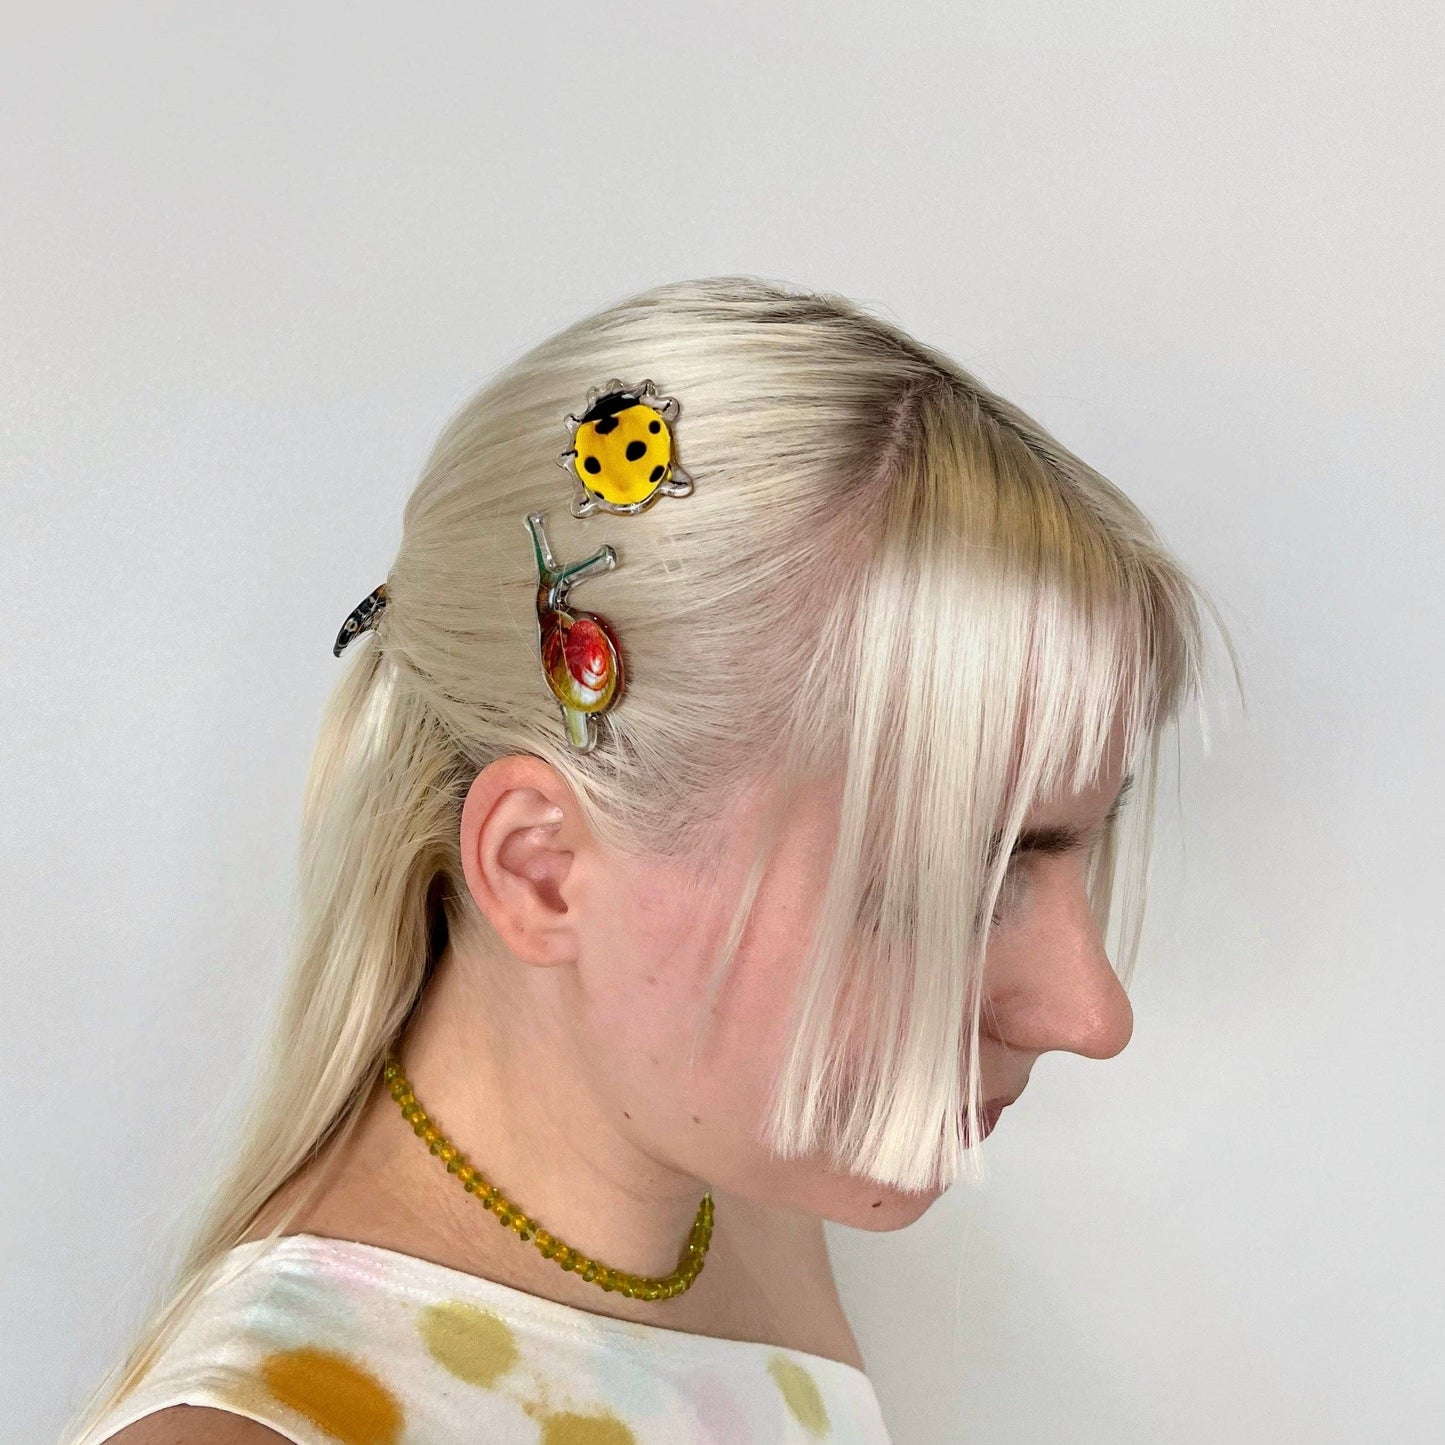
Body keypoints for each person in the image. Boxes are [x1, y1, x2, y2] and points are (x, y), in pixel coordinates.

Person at [64, 275, 1232, 1444]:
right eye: (947, 885)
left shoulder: (739, 1194)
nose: (1090, 1012)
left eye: (1073, 848)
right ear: (540, 869)